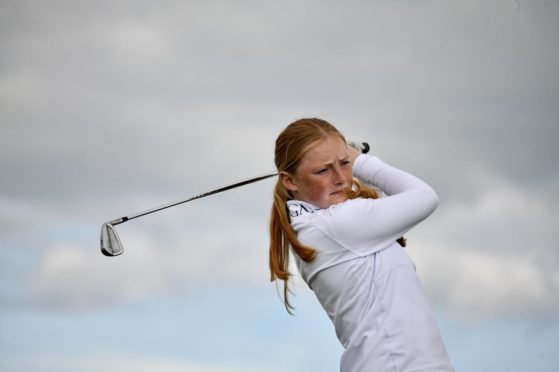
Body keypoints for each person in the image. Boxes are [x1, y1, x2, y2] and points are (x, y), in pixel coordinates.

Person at [269, 118, 454, 372]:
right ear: (289, 181)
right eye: (323, 170)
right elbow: (424, 196)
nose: (341, 179)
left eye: (344, 164)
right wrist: (360, 161)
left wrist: (343, 158)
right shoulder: (336, 224)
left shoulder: (315, 225)